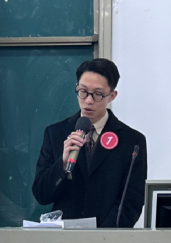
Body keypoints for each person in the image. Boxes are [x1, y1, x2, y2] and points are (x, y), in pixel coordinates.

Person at [32, 58, 147, 227]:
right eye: (83, 91)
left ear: (112, 96)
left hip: (108, 236)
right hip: (64, 236)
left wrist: (101, 236)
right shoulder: (55, 133)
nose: (88, 100)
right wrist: (62, 164)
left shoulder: (132, 141)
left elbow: (132, 202)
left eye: (98, 94)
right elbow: (41, 195)